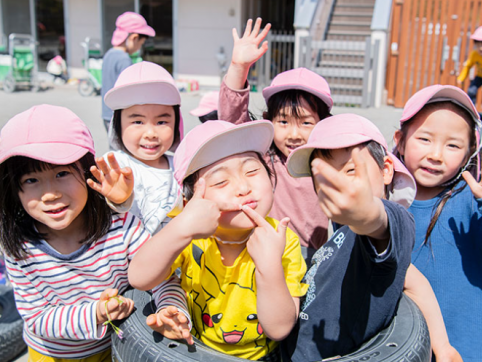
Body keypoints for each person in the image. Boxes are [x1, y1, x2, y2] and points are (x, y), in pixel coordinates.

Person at [0, 105, 190, 361]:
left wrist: (171, 308)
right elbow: (37, 318)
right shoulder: (20, 247)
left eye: (62, 173)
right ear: (14, 189)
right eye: (31, 180)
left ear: (89, 172)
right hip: (51, 355)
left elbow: (163, 279)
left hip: (116, 347)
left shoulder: (123, 227)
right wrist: (97, 313)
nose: (50, 194)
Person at [282, 113, 460, 362]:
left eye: (351, 170)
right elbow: (416, 282)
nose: (340, 185)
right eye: (325, 178)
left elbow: (380, 222)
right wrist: (443, 347)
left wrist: (368, 214)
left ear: (386, 170)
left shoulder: (386, 224)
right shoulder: (341, 231)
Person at [128, 120, 308, 361]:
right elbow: (139, 278)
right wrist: (181, 226)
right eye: (221, 181)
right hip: (197, 350)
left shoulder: (282, 241)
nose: (243, 187)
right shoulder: (191, 238)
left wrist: (269, 267)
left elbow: (279, 329)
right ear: (191, 200)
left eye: (252, 171)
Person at [393, 85, 482, 361]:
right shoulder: (382, 199)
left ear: (470, 151)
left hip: (461, 351)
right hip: (396, 347)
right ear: (400, 139)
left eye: (453, 145)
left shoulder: (472, 200)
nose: (436, 154)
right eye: (425, 139)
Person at [219, 18, 331, 263]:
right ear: (269, 121)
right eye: (283, 122)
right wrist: (239, 67)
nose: (293, 134)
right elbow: (231, 126)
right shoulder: (266, 160)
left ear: (324, 123)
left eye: (306, 123)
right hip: (269, 251)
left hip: (317, 255)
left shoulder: (329, 163)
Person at [104, 61, 183, 235]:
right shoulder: (115, 165)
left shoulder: (181, 167)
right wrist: (119, 201)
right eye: (137, 121)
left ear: (177, 122)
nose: (150, 133)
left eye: (162, 122)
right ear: (118, 124)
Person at [101, 11, 155, 131]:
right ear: (134, 38)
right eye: (140, 44)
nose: (139, 48)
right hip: (119, 116)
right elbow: (130, 91)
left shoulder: (109, 54)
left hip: (107, 114)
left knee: (114, 148)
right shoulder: (124, 60)